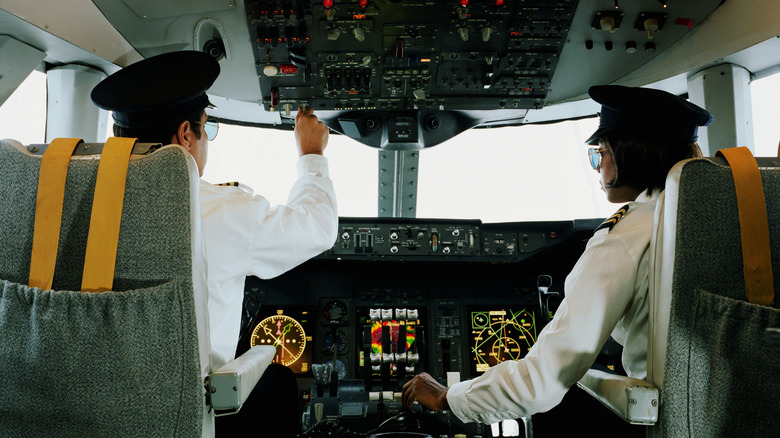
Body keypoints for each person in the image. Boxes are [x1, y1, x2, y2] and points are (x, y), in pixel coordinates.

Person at [401, 85, 713, 434]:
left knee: (565, 396)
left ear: (631, 152)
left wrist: (450, 397)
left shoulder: (628, 235)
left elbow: (542, 380)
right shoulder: (723, 221)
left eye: (600, 152)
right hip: (723, 416)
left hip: (671, 423)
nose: (598, 167)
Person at [91, 51, 338, 436]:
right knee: (277, 382)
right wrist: (311, 154)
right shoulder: (224, 211)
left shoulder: (81, 205)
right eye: (207, 127)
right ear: (186, 134)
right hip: (185, 420)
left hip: (91, 412)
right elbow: (318, 228)